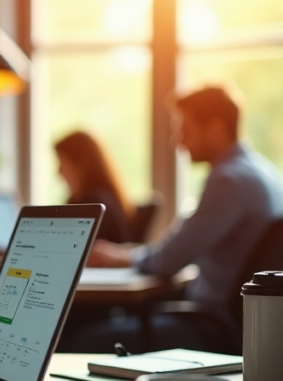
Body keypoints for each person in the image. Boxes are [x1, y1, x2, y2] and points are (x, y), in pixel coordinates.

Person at [89, 87, 283, 314]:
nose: (177, 142)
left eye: (185, 130)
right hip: (236, 318)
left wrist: (116, 257)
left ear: (215, 128)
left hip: (209, 322)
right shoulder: (263, 171)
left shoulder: (229, 181)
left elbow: (169, 259)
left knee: (83, 337)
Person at [54, 131, 134, 243]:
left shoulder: (92, 204)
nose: (59, 172)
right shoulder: (105, 197)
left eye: (62, 163)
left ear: (81, 165)